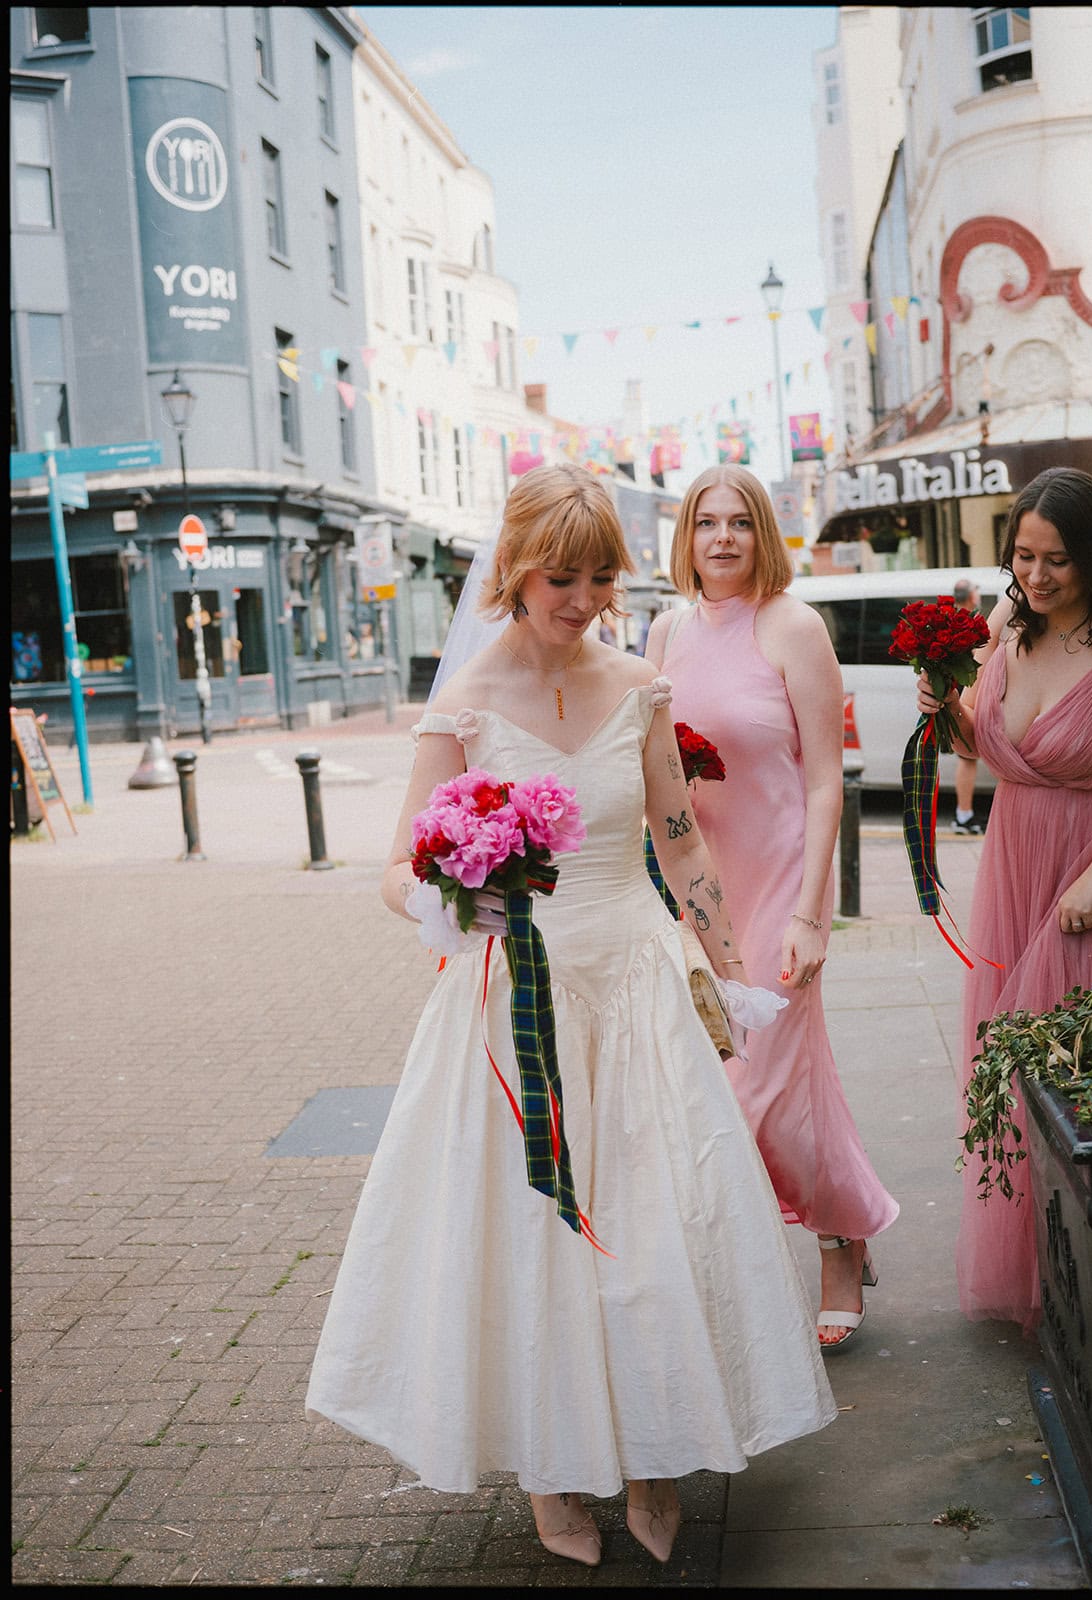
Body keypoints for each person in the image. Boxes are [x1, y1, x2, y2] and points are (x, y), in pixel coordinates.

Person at [305, 464, 836, 1570]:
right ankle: (551, 1471)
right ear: (512, 567)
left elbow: (678, 834)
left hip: (636, 978)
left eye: (600, 577)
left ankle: (650, 1453)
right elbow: (398, 868)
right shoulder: (462, 703)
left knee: (653, 1225)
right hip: (515, 996)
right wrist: (458, 895)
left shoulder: (637, 680)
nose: (585, 597)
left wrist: (728, 972)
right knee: (534, 1234)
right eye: (564, 576)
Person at [916, 467, 1092, 1333]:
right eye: (1023, 557)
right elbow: (1001, 746)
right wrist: (947, 709)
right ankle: (1049, 1279)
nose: (1037, 578)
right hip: (1021, 858)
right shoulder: (1009, 624)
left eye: (1057, 562)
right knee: (1021, 1074)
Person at [646, 464, 899, 1354]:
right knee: (743, 1085)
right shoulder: (666, 630)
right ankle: (845, 1225)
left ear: (763, 535)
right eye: (707, 523)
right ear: (688, 536)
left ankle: (831, 1245)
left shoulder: (792, 625)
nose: (722, 539)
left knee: (762, 1092)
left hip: (782, 882)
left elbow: (827, 779)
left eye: (740, 524)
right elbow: (648, 770)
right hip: (704, 895)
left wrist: (812, 913)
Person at [950, 577, 985, 835]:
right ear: (971, 597)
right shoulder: (968, 623)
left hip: (957, 694)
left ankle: (964, 813)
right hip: (962, 696)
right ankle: (963, 814)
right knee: (967, 757)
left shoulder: (949, 620)